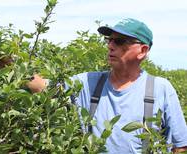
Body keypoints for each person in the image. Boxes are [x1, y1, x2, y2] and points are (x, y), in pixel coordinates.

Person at [26, 18, 187, 153]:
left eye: (119, 41)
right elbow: (43, 87)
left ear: (143, 50)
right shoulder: (87, 82)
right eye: (109, 40)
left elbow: (180, 146)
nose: (110, 45)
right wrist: (11, 65)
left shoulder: (161, 88)